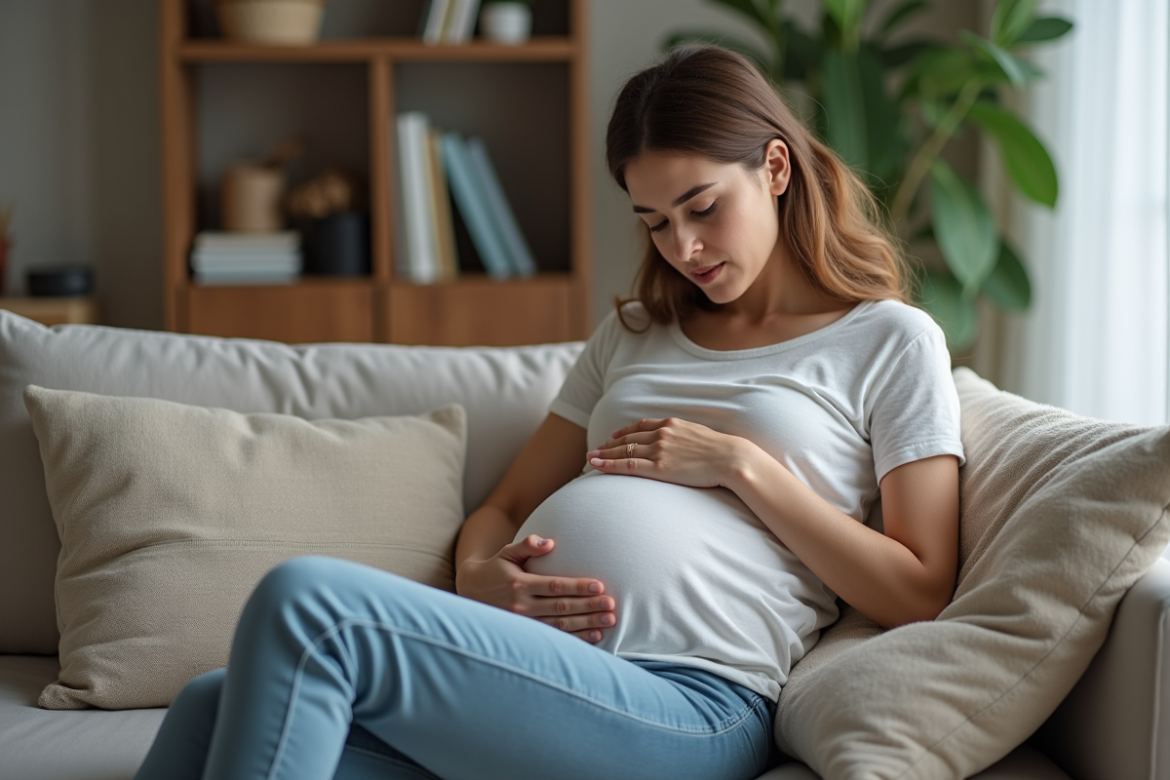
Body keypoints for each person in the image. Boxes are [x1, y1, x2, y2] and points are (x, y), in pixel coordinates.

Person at [134, 45, 963, 780]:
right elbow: (500, 505)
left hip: (690, 701)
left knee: (307, 603)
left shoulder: (887, 340)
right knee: (209, 706)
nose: (683, 249)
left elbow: (921, 589)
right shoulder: (635, 334)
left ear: (774, 169)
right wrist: (477, 574)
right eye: (655, 223)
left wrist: (740, 467)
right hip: (532, 678)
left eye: (702, 208)